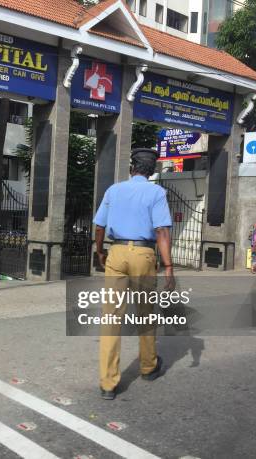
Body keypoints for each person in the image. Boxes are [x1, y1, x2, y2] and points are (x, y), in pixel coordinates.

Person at [93, 148, 174, 401]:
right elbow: (161, 231)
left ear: (132, 168)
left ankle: (108, 383)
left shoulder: (113, 190)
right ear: (152, 171)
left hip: (116, 252)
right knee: (145, 314)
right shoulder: (157, 192)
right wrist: (168, 265)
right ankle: (148, 367)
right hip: (143, 254)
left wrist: (99, 252)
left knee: (111, 318)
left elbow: (99, 226)